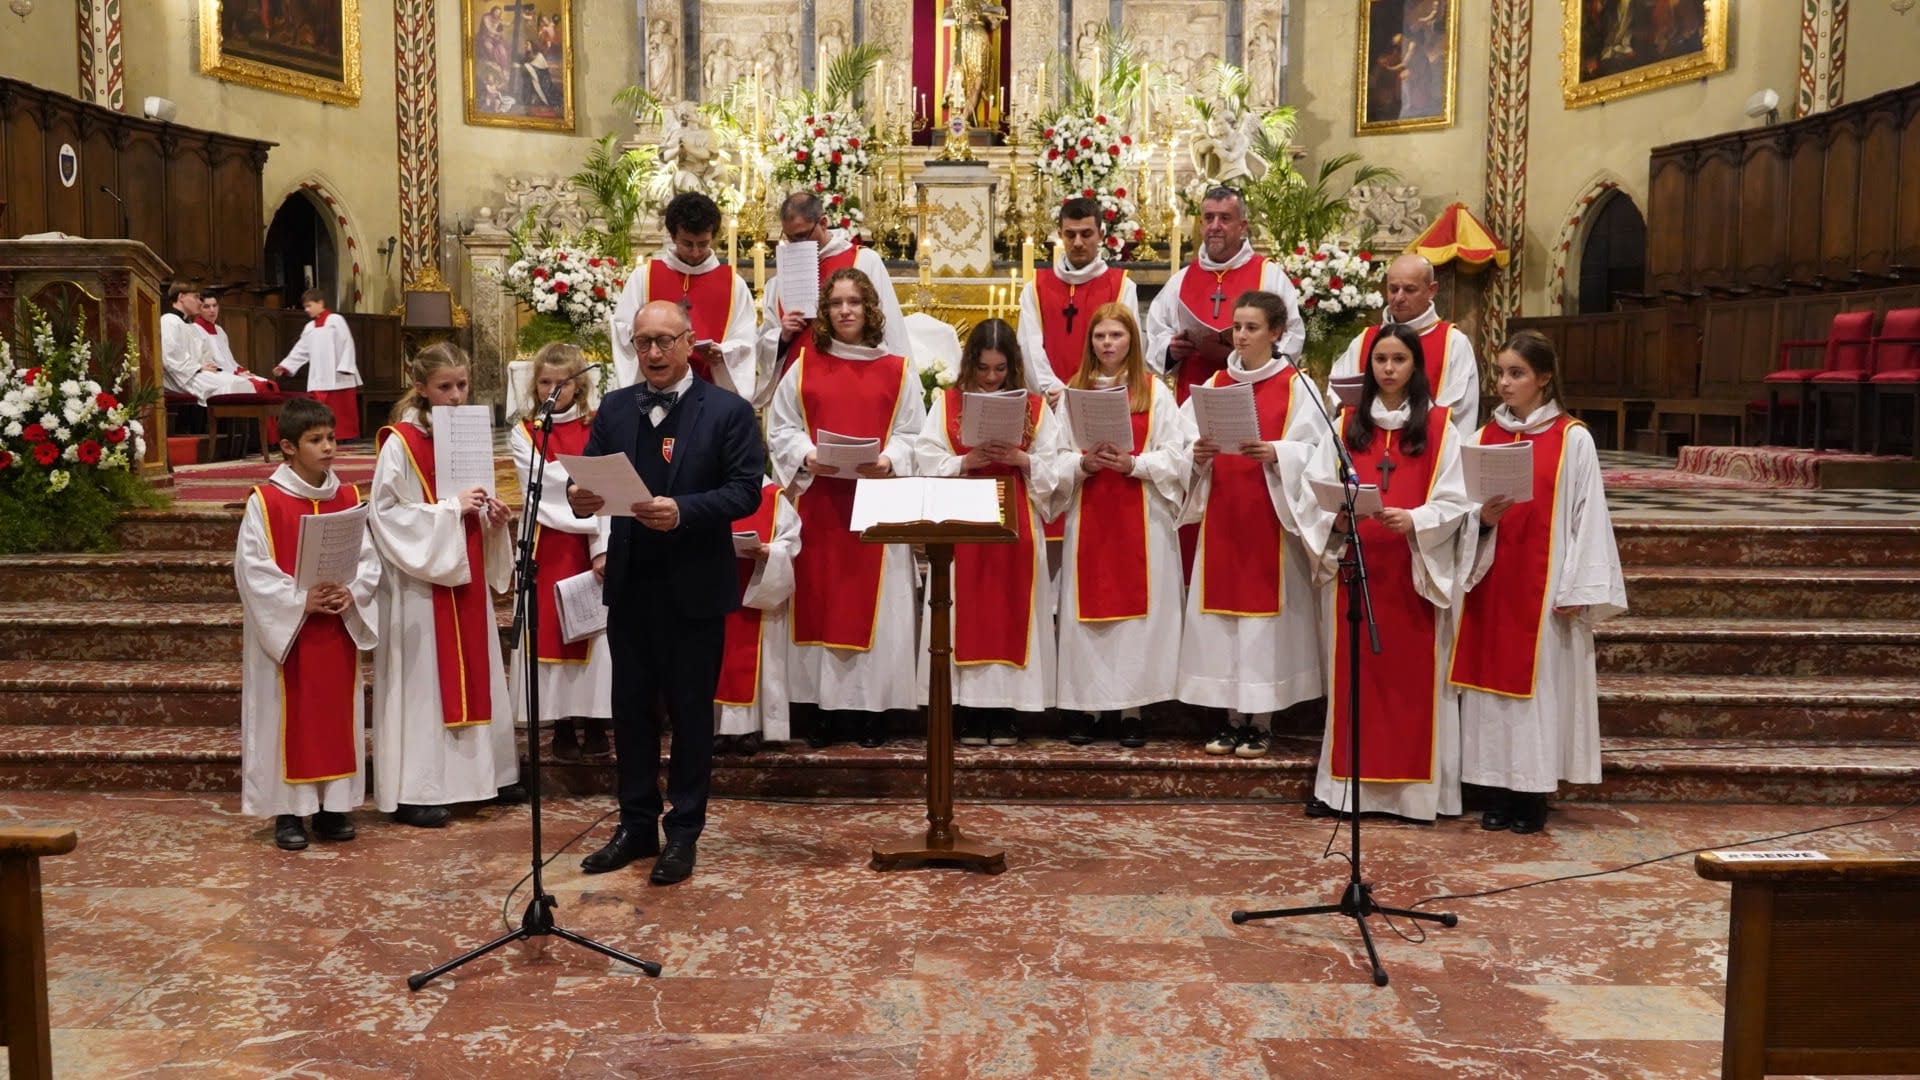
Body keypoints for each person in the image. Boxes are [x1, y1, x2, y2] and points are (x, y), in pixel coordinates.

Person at [568, 301, 766, 885]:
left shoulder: (728, 410)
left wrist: (683, 510)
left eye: (664, 341)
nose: (652, 353)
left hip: (695, 583)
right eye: (642, 343)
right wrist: (581, 498)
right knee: (630, 712)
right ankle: (635, 826)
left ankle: (683, 832)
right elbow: (592, 480)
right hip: (631, 581)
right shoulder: (614, 407)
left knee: (689, 714)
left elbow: (746, 491)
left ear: (689, 342)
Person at [1451, 330, 1625, 834]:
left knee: (1536, 692)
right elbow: (1457, 509)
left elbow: (1589, 516)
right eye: (1500, 373)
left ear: (1544, 378)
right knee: (1489, 692)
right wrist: (1481, 519)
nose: (1504, 383)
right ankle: (1495, 790)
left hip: (1545, 587)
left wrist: (1579, 589)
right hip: (1489, 580)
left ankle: (1531, 794)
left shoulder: (1573, 438)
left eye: (1517, 373)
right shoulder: (1481, 438)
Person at [1304, 322, 1472, 823]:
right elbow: (1312, 490)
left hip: (1412, 572)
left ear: (1415, 366)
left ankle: (1415, 798)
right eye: (1381, 360)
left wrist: (1415, 519)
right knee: (1355, 682)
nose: (1389, 369)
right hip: (1356, 570)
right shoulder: (1344, 425)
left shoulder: (1440, 426)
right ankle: (1343, 791)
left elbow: (1457, 499)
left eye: (1399, 360)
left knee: (1409, 688)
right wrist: (1335, 519)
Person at [766, 268, 925, 749]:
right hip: (820, 503)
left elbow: (914, 433)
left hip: (876, 503)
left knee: (876, 608)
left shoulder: (897, 369)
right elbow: (781, 428)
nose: (845, 310)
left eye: (854, 301)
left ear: (870, 308)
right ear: (825, 312)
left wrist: (889, 459)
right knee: (821, 602)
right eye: (835, 303)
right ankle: (821, 710)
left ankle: (870, 712)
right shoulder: (804, 366)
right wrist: (806, 455)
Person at [368, 343, 521, 829]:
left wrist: (493, 518)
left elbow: (477, 501)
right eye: (445, 387)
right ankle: (418, 789)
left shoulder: (467, 433)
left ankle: (487, 776)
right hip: (420, 581)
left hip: (464, 566)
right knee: (424, 681)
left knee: (476, 668)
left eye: (462, 385)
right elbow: (385, 514)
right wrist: (451, 510)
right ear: (420, 387)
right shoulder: (399, 442)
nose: (456, 396)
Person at [1176, 291, 1328, 759]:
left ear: (1276, 332)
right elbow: (1179, 443)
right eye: (1236, 327)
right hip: (1223, 516)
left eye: (1252, 328)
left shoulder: (1297, 384)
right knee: (1224, 622)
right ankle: (1230, 719)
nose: (1240, 336)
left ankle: (1260, 722)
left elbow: (1320, 450)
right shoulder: (1215, 382)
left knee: (1263, 628)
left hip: (1270, 519)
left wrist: (1278, 452)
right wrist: (1196, 454)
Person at [912, 319, 1074, 746]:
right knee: (964, 609)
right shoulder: (947, 405)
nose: (990, 378)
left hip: (1015, 522)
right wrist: (964, 462)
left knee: (1010, 610)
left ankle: (1006, 712)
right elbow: (924, 456)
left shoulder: (1034, 408)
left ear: (1013, 367)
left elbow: (1057, 468)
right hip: (962, 522)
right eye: (983, 368)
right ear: (970, 363)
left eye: (1000, 369)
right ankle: (966, 709)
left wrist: (1023, 460)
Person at [234, 397, 381, 851]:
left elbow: (368, 560)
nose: (329, 447)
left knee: (336, 717)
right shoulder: (266, 502)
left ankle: (334, 807)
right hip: (290, 634)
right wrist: (301, 601)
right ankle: (289, 812)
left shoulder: (348, 498)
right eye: (316, 440)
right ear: (288, 447)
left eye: (331, 438)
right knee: (286, 716)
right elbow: (253, 570)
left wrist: (351, 591)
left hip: (335, 626)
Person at [1054, 304, 1193, 747]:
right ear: (1090, 343)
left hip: (1143, 515)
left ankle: (1133, 710)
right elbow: (1053, 457)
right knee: (1088, 617)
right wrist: (1082, 464)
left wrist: (1135, 464)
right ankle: (1088, 709)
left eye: (1116, 335)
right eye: (1100, 336)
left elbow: (1179, 456)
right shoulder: (1074, 393)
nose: (1108, 343)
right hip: (1089, 512)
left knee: (1137, 623)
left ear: (1132, 340)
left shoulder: (1155, 393)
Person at [507, 343, 611, 763]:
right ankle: (563, 723)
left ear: (578, 386)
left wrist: (601, 546)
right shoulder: (525, 432)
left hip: (594, 543)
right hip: (547, 541)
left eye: (561, 383)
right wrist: (583, 485)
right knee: (552, 633)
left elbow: (606, 485)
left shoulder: (598, 427)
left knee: (597, 634)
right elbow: (542, 486)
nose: (553, 390)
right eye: (545, 382)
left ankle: (597, 722)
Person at [1143, 186, 1304, 404]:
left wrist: (1253, 356)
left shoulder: (1269, 275)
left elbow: (1292, 334)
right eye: (1209, 218)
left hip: (1255, 392)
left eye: (1225, 218)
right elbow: (1156, 333)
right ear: (1201, 225)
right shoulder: (1180, 280)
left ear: (1242, 226)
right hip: (1193, 394)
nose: (1215, 226)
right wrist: (1171, 350)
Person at [755, 192, 911, 407]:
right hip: (798, 385)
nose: (796, 245)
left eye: (802, 236)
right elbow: (764, 342)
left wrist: (901, 382)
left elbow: (890, 325)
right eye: (790, 238)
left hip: (856, 378)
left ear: (823, 223)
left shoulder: (864, 261)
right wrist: (783, 335)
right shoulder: (783, 276)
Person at [608, 191, 759, 397]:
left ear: (713, 237)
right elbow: (623, 330)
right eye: (687, 243)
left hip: (711, 391)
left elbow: (746, 338)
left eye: (703, 244)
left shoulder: (734, 284)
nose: (695, 252)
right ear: (672, 236)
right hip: (655, 390)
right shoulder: (644, 277)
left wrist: (723, 352)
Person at [1326, 253, 1481, 440]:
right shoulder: (1363, 340)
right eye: (1393, 289)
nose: (1398, 298)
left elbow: (1461, 414)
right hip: (1366, 445)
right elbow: (1337, 400)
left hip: (1423, 447)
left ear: (1432, 290)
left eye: (1409, 289)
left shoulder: (1454, 343)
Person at [1016, 197, 1140, 400]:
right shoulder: (1036, 288)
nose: (1078, 243)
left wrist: (1082, 393)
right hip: (1050, 400)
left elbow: (1128, 349)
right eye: (1070, 234)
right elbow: (1028, 348)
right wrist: (1052, 390)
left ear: (1100, 235)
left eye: (1086, 234)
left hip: (1101, 399)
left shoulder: (1122, 286)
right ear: (1060, 235)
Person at [714, 481, 803, 754]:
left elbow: (791, 541)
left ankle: (755, 728)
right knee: (717, 658)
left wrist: (769, 551)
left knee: (760, 659)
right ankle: (718, 728)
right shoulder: (710, 488)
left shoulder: (773, 496)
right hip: (717, 587)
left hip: (758, 587)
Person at [274, 288, 363, 441]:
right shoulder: (309, 327)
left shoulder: (336, 320)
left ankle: (345, 436)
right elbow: (301, 349)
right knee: (322, 409)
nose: (306, 310)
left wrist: (346, 366)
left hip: (338, 374)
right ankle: (324, 436)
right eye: (305, 307)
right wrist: (285, 366)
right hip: (319, 375)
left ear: (320, 303)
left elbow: (347, 343)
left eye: (309, 306)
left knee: (341, 409)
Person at [160, 282, 253, 404]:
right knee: (233, 385)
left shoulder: (190, 326)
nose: (199, 302)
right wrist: (199, 367)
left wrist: (208, 365)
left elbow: (204, 353)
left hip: (196, 372)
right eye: (196, 297)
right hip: (182, 376)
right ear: (181, 297)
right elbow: (171, 357)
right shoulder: (169, 320)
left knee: (244, 383)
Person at [195, 293, 276, 392]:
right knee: (255, 386)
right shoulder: (195, 330)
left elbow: (229, 360)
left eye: (215, 305)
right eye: (206, 307)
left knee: (268, 384)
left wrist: (241, 370)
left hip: (230, 371)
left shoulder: (219, 330)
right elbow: (201, 360)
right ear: (199, 309)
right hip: (215, 374)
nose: (212, 310)